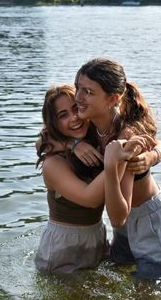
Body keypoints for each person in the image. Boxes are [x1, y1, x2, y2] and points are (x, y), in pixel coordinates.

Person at [74, 57, 161, 280]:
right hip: (125, 225)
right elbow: (44, 139)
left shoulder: (126, 138)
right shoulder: (88, 125)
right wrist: (73, 144)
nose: (78, 97)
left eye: (88, 92)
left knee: (148, 292)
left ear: (113, 98)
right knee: (117, 277)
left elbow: (117, 217)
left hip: (151, 221)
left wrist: (112, 164)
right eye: (78, 88)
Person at [35, 84, 108, 274]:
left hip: (97, 235)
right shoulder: (53, 163)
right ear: (54, 123)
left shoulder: (96, 140)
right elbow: (89, 199)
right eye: (63, 115)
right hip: (63, 247)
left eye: (76, 108)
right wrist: (116, 159)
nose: (74, 117)